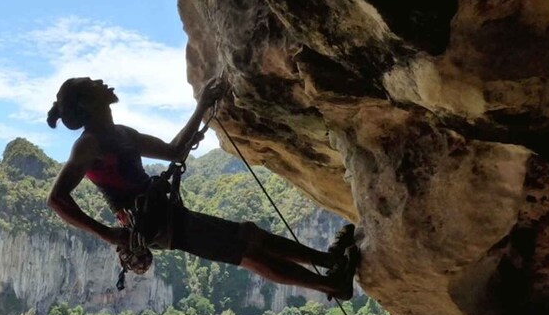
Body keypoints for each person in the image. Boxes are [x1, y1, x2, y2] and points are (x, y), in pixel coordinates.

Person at [45, 76, 358, 300]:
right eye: (93, 84)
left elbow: (172, 151)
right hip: (155, 225)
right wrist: (108, 233)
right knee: (245, 252)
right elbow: (57, 199)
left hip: (164, 216)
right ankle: (332, 285)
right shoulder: (89, 144)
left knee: (249, 234)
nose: (103, 83)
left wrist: (203, 106)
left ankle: (328, 263)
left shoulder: (120, 133)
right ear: (87, 102)